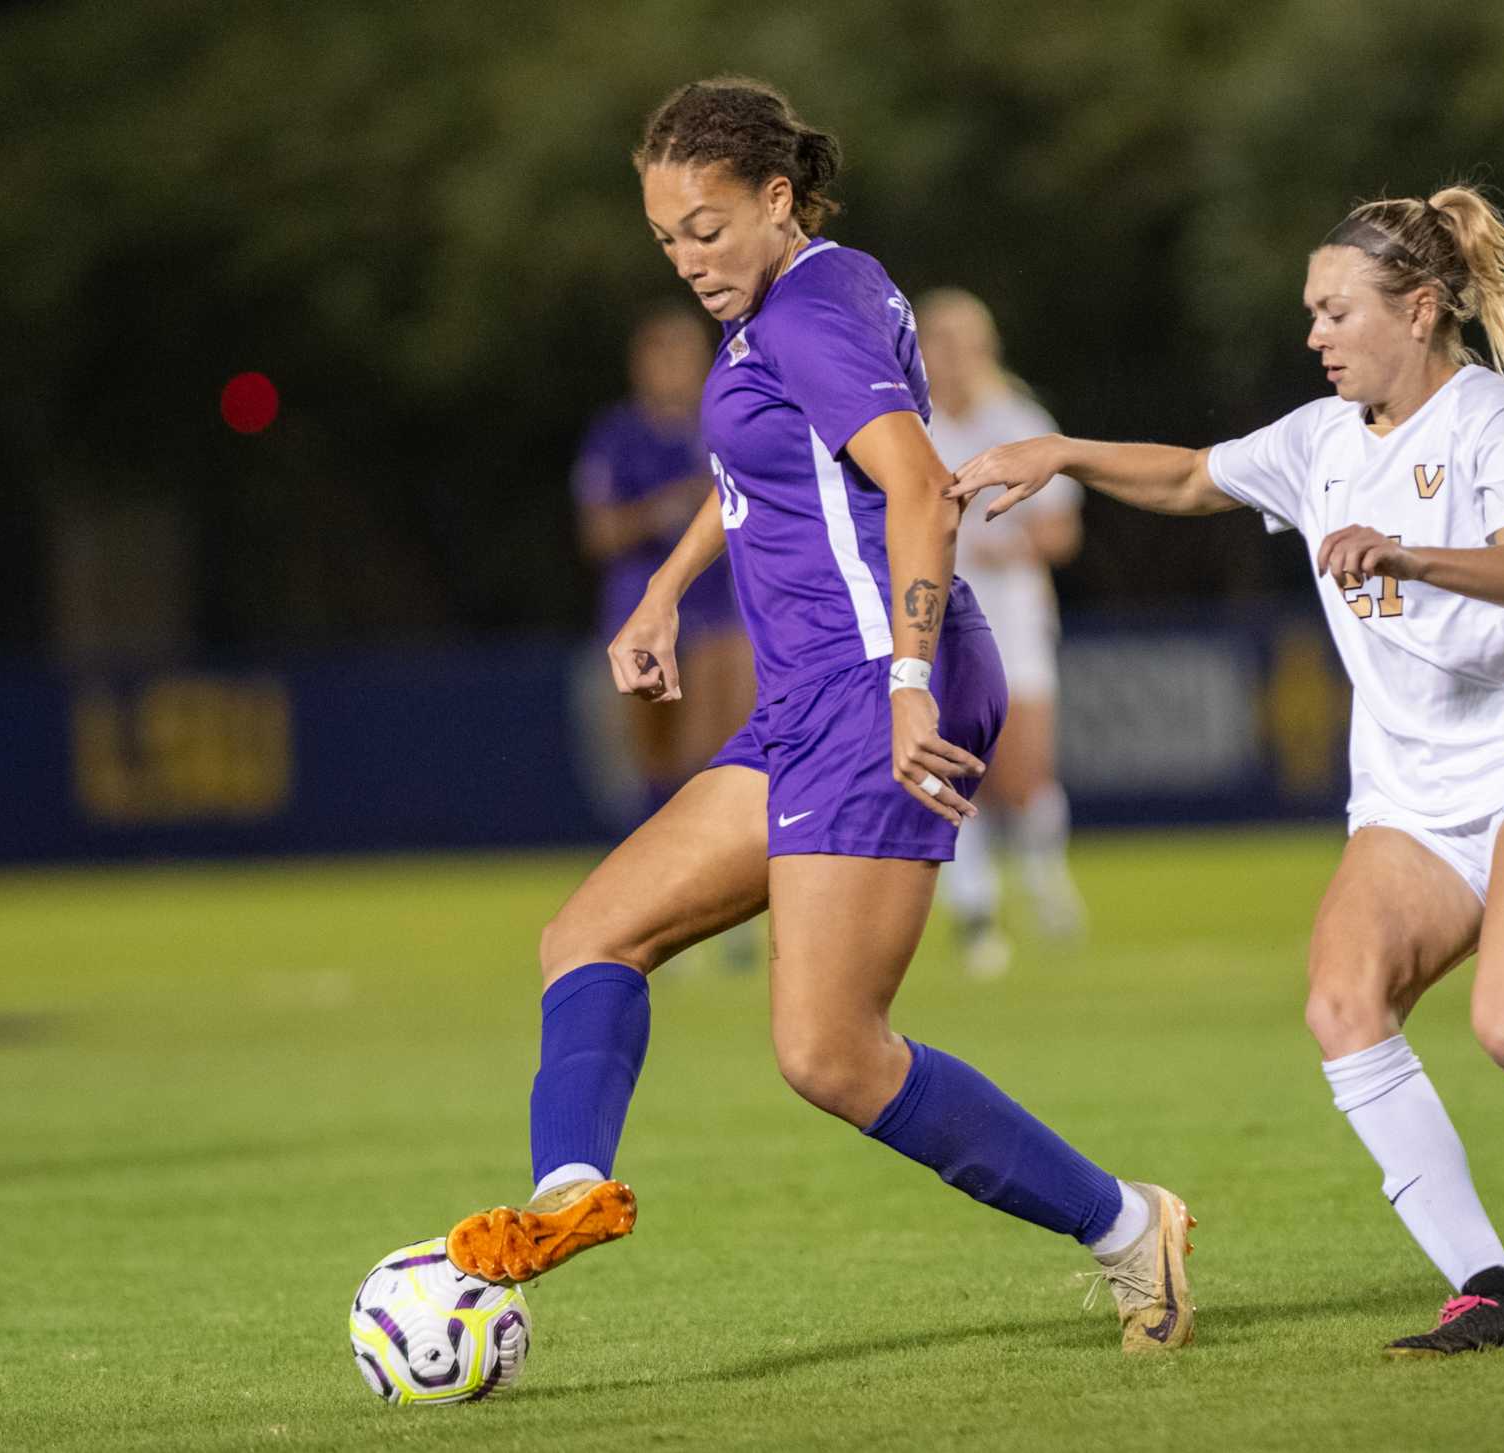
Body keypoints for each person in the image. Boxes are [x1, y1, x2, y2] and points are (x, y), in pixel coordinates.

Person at [952, 185, 1504, 1355]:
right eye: (1310, 313)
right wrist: (1060, 451)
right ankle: (1491, 1286)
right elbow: (1190, 475)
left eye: (1334, 311)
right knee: (1341, 1004)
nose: (1313, 335)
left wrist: (1410, 551)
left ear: (1416, 311)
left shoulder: (1487, 423)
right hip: (1409, 798)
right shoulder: (1316, 442)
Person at [444, 77, 1195, 1356]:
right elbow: (760, 468)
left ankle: (1130, 1227)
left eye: (709, 227)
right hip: (812, 694)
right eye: (667, 238)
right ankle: (569, 1196)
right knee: (590, 936)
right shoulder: (807, 296)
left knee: (832, 1054)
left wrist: (905, 681)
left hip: (870, 687)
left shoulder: (806, 317)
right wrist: (671, 593)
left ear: (775, 198)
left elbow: (913, 483)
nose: (688, 260)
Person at [917, 289, 1087, 977]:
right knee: (952, 763)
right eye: (936, 340)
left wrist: (996, 543)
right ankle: (974, 907)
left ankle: (1045, 875)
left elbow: (1061, 531)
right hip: (935, 618)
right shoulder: (912, 426)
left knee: (1024, 772)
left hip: (1012, 613)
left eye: (960, 341)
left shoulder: (1017, 420)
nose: (948, 355)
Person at [572, 307, 754, 808]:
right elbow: (599, 534)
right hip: (643, 604)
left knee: (720, 749)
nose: (674, 366)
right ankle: (666, 857)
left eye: (684, 354)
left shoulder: (726, 423)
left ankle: (725, 859)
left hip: (724, 603)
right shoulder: (618, 435)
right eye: (662, 354)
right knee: (657, 759)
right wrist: (665, 510)